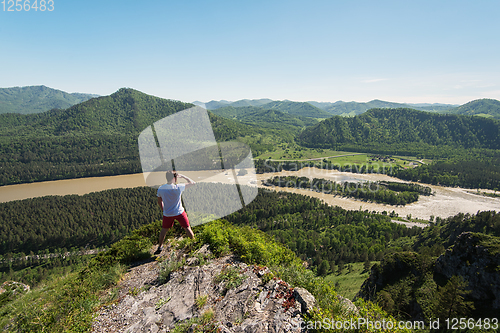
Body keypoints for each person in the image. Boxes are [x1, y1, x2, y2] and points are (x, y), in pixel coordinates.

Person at [155, 171, 196, 254]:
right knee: (187, 228)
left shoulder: (161, 188)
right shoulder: (178, 187)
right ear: (175, 178)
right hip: (179, 212)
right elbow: (193, 183)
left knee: (164, 230)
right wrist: (183, 176)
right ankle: (194, 243)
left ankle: (160, 247)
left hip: (168, 213)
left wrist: (164, 210)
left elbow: (159, 202)